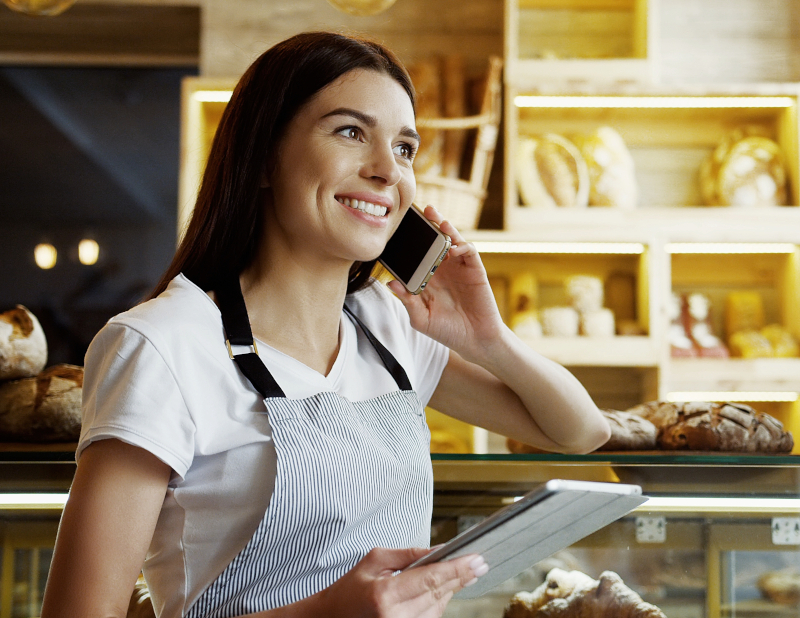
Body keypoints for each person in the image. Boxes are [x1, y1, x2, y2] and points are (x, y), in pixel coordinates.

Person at [40, 31, 611, 618]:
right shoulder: (163, 346)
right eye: (350, 132)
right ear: (263, 157)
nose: (389, 171)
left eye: (407, 148)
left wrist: (489, 339)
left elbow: (580, 432)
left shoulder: (387, 326)